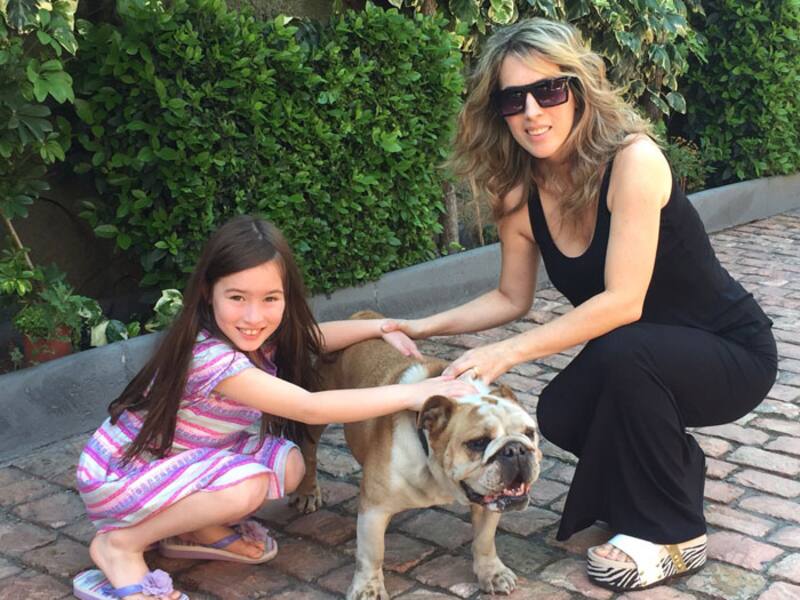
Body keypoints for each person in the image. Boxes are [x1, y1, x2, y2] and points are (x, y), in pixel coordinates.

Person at [384, 18, 778, 592]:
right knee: (564, 410)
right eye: (512, 99)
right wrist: (420, 324)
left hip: (731, 353)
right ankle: (674, 464)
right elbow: (510, 297)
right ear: (497, 112)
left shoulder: (633, 161)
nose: (532, 112)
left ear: (578, 89)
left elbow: (624, 302)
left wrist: (504, 355)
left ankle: (674, 535)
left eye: (548, 90)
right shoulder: (519, 193)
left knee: (623, 350)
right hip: (638, 357)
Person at [72, 215, 476, 600]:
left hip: (182, 460)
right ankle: (121, 546)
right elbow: (310, 408)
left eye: (270, 298)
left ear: (287, 296)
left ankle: (191, 529)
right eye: (237, 297)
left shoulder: (255, 337)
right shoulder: (211, 357)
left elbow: (315, 337)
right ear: (207, 292)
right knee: (246, 487)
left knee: (290, 465)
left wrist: (382, 327)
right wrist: (412, 395)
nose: (254, 316)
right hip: (123, 476)